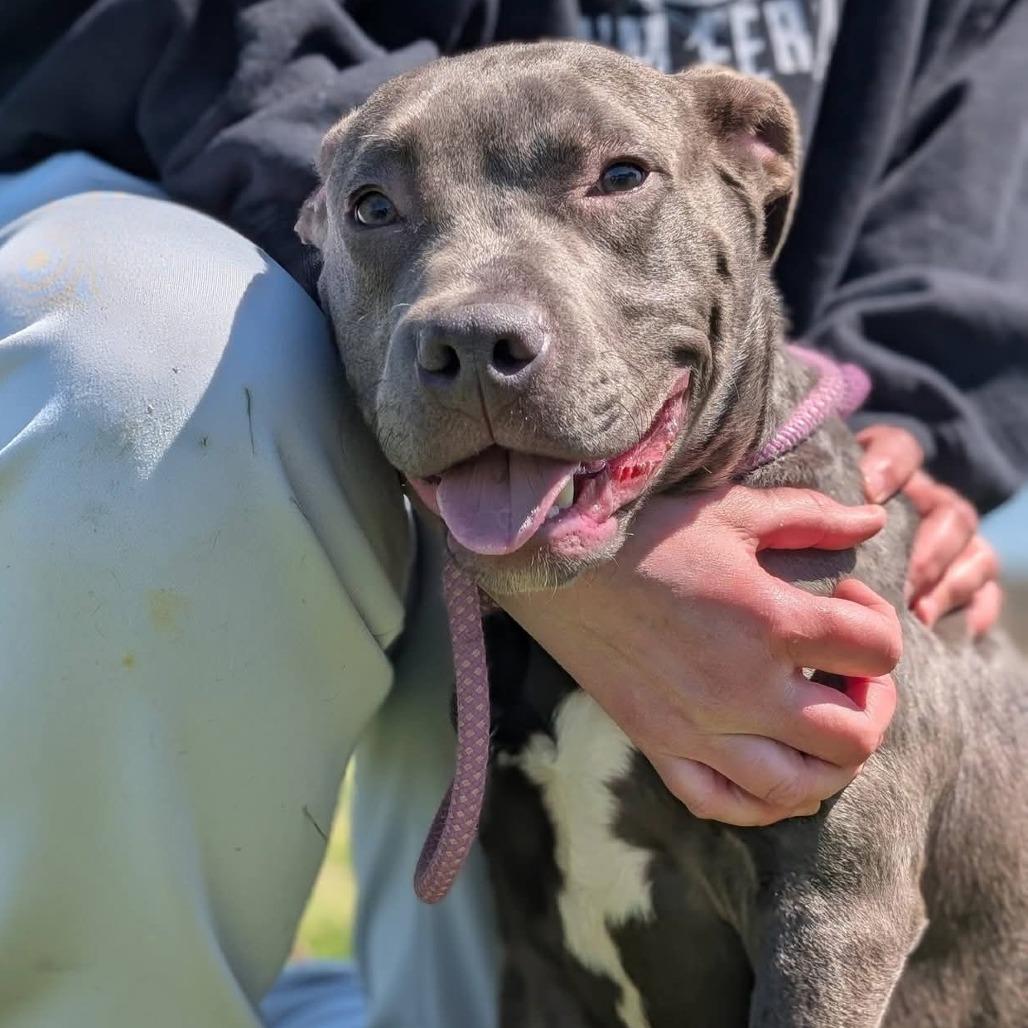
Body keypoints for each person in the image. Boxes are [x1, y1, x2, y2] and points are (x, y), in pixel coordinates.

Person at [0, 2, 1024, 1026]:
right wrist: (586, 577)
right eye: (370, 207)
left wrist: (913, 412)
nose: (480, 307)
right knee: (132, 351)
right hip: (228, 230)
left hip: (655, 425)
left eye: (615, 177)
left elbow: (977, 149)